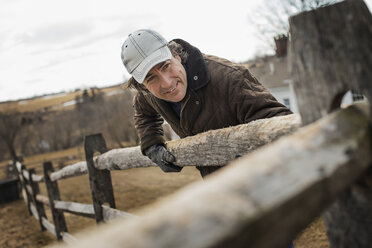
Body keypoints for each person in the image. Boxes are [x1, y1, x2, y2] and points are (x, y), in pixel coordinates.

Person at [121, 29, 292, 177]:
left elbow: (280, 123)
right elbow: (143, 113)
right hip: (218, 189)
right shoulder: (148, 94)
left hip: (265, 181)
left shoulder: (230, 79)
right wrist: (151, 144)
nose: (166, 83)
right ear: (142, 85)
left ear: (176, 55)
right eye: (151, 77)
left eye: (165, 66)